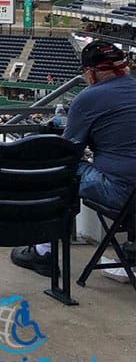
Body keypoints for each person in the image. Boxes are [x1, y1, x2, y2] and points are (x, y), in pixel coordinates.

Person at [11, 40, 136, 276]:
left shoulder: (89, 98)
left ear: (90, 72)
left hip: (121, 193)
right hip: (130, 192)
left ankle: (44, 253)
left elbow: (68, 151)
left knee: (59, 168)